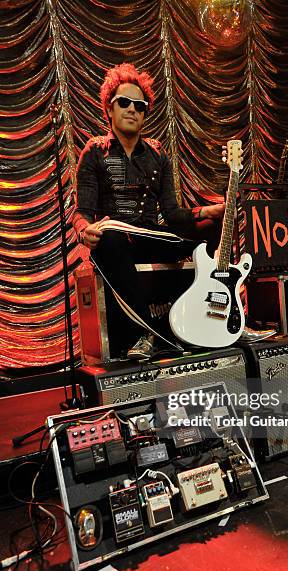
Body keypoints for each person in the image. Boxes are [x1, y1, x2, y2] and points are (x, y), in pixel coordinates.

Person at [73, 63, 225, 360]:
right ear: (109, 107)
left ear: (146, 112)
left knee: (214, 229)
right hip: (114, 241)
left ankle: (222, 316)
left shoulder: (157, 154)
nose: (132, 109)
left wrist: (212, 211)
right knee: (111, 236)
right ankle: (144, 333)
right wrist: (84, 231)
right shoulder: (94, 151)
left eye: (139, 105)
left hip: (152, 237)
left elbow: (172, 213)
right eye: (124, 103)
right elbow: (82, 211)